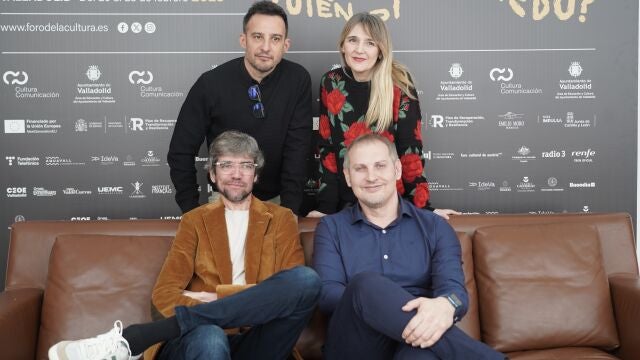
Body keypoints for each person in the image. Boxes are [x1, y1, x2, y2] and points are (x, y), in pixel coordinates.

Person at [49, 131, 321, 360]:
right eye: (226, 165)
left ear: (256, 175)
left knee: (306, 281)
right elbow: (163, 295)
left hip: (258, 341)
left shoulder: (282, 219)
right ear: (213, 174)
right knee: (210, 336)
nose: (236, 174)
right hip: (199, 342)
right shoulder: (194, 221)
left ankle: (135, 339)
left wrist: (217, 298)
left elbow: (290, 294)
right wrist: (243, 303)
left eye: (246, 166)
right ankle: (176, 329)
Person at [313, 134, 505, 359]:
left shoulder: (435, 227)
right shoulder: (331, 228)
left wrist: (446, 304)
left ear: (396, 170)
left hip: (417, 342)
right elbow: (327, 295)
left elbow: (454, 292)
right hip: (356, 344)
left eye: (380, 166)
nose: (371, 177)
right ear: (347, 177)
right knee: (365, 285)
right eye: (360, 169)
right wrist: (385, 307)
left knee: (421, 354)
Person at [308, 13, 459, 219]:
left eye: (370, 43)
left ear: (380, 50)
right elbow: (328, 148)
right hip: (346, 203)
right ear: (343, 45)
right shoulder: (330, 82)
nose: (359, 49)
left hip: (390, 204)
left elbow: (410, 151)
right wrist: (326, 207)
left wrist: (422, 209)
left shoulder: (399, 85)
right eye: (353, 40)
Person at [168, 1, 312, 216]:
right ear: (243, 40)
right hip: (225, 199)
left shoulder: (297, 79)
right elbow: (180, 150)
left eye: (275, 39)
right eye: (257, 37)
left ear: (286, 45)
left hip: (278, 200)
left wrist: (289, 211)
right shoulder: (211, 84)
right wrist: (191, 211)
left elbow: (298, 150)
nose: (265, 47)